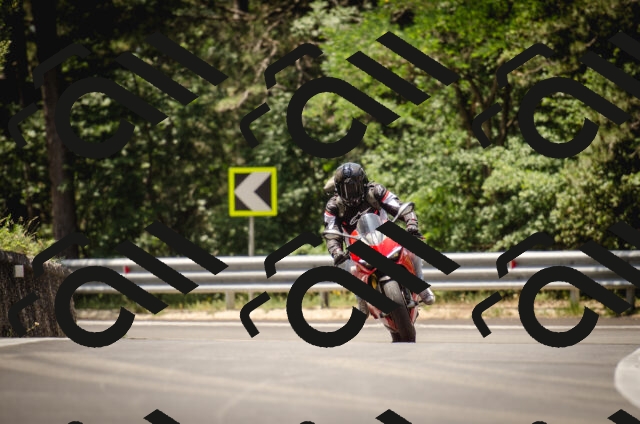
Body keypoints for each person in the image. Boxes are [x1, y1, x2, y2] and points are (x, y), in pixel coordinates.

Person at [322, 162, 435, 316]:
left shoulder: (376, 190)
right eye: (345, 189)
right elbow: (331, 230)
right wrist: (336, 251)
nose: (350, 193)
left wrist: (411, 223)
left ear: (363, 182)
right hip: (355, 243)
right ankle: (361, 296)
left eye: (354, 187)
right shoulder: (333, 206)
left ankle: (421, 285)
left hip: (385, 233)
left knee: (413, 243)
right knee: (346, 266)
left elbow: (397, 205)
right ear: (338, 189)